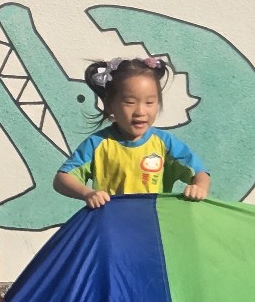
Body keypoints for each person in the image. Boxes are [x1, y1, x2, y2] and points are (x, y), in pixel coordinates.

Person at [54, 56, 209, 208]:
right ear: (109, 105)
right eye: (130, 102)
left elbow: (200, 172)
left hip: (150, 221)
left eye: (149, 102)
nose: (140, 111)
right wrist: (87, 193)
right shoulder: (98, 144)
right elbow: (62, 179)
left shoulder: (165, 144)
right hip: (110, 221)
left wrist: (199, 187)